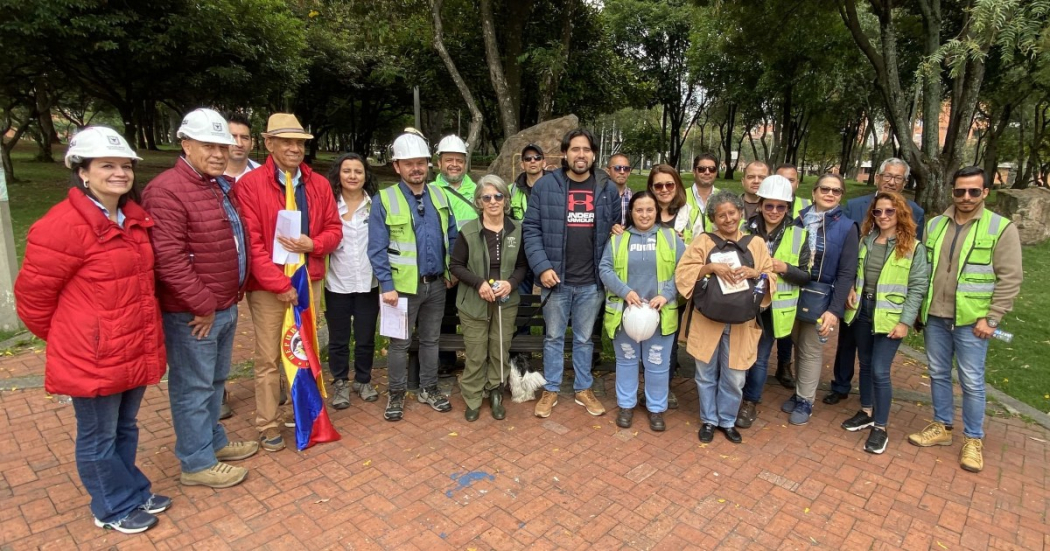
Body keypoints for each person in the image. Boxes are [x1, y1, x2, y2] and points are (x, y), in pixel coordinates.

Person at [15, 127, 168, 533]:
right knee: (98, 436)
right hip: (94, 353)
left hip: (131, 344)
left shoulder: (132, 218)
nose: (119, 173)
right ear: (82, 171)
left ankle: (132, 490)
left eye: (124, 166)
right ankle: (112, 505)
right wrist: (74, 337)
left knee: (125, 426)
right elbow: (32, 300)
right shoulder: (62, 225)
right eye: (107, 165)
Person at [141, 108, 258, 489]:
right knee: (193, 387)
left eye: (223, 146)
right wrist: (202, 304)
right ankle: (195, 462)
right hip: (195, 313)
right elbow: (168, 258)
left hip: (222, 304)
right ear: (186, 144)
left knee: (214, 380)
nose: (220, 153)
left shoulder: (214, 184)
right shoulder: (166, 190)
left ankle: (213, 443)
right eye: (209, 145)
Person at [232, 113, 343, 452]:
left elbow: (334, 229)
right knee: (267, 357)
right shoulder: (250, 186)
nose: (295, 149)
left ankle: (304, 411)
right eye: (287, 142)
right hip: (269, 285)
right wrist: (279, 284)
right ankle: (267, 423)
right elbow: (251, 243)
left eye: (300, 143)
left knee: (304, 349)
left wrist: (315, 244)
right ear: (269, 144)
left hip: (308, 279)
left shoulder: (318, 184)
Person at [908, 166, 1022, 473]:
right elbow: (924, 271)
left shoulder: (1000, 228)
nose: (966, 197)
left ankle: (973, 439)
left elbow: (1011, 278)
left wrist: (993, 318)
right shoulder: (934, 225)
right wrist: (919, 310)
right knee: (938, 373)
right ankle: (943, 427)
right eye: (960, 191)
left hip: (974, 322)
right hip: (936, 316)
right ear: (952, 192)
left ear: (985, 192)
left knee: (972, 381)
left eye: (974, 191)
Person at [523, 128, 620, 418]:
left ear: (593, 154)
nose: (581, 155)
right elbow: (531, 229)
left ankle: (583, 388)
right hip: (556, 280)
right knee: (552, 337)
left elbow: (615, 229)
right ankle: (551, 389)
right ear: (565, 153)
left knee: (584, 339)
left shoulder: (606, 188)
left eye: (586, 150)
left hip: (591, 281)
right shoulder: (546, 186)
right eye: (575, 149)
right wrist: (542, 268)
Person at [368, 131, 459, 421]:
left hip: (435, 286)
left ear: (428, 165)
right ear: (397, 167)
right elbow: (377, 248)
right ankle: (396, 393)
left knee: (432, 340)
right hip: (400, 289)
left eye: (420, 162)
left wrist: (449, 270)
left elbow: (452, 236)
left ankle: (429, 388)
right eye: (408, 163)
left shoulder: (439, 194)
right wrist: (387, 285)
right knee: (400, 344)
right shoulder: (385, 199)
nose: (416, 168)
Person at [675, 191, 776, 444]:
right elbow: (683, 274)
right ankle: (709, 420)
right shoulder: (703, 242)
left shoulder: (756, 244)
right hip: (707, 318)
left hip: (741, 322)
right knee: (706, 374)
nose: (728, 219)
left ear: (741, 213)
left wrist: (755, 272)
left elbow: (770, 277)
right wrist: (710, 268)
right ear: (713, 218)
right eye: (721, 215)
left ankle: (727, 420)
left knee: (735, 376)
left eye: (732, 213)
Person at [826, 157, 926, 406]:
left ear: (904, 182)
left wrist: (908, 313)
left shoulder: (917, 212)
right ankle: (841, 385)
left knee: (873, 357)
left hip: (887, 298)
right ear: (878, 178)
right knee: (847, 340)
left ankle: (869, 403)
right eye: (888, 176)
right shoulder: (856, 205)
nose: (892, 181)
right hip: (856, 289)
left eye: (898, 177)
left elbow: (914, 257)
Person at [840, 192, 929, 454]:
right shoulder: (866, 241)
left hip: (890, 317)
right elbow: (856, 273)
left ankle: (881, 427)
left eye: (889, 211)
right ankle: (866, 411)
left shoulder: (913, 247)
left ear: (900, 213)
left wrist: (905, 321)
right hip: (863, 311)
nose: (883, 217)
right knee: (865, 364)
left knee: (880, 370)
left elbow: (917, 287)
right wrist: (850, 290)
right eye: (878, 212)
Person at [599, 191, 684, 431]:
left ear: (657, 211)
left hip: (661, 315)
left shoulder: (670, 237)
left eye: (649, 209)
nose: (644, 215)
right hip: (626, 315)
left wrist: (666, 294)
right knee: (626, 361)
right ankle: (626, 405)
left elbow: (684, 269)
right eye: (639, 210)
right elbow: (605, 269)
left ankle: (656, 408)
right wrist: (625, 292)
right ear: (631, 212)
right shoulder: (618, 239)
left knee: (657, 363)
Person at [449, 175, 528, 421]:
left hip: (505, 302)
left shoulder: (517, 229)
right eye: (487, 197)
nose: (493, 201)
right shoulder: (468, 230)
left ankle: (495, 392)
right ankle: (473, 396)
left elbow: (523, 266)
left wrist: (511, 283)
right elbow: (456, 265)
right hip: (474, 302)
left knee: (499, 349)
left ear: (505, 200)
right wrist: (478, 283)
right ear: (479, 201)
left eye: (498, 196)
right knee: (475, 352)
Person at [782, 174, 859, 425]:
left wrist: (834, 310)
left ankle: (806, 400)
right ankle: (798, 391)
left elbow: (847, 272)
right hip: (792, 290)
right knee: (796, 341)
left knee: (811, 348)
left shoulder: (847, 227)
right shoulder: (798, 219)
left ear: (841, 196)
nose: (830, 194)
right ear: (814, 192)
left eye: (836, 191)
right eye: (825, 189)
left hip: (822, 295)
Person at [736, 175, 811, 429]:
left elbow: (805, 276)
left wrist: (785, 268)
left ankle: (750, 401)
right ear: (760, 205)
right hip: (744, 302)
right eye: (769, 205)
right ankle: (733, 395)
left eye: (781, 206)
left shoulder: (800, 235)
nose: (775, 211)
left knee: (759, 357)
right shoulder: (744, 229)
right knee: (737, 352)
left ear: (788, 208)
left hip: (774, 307)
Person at [324, 153, 381, 409]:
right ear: (339, 174)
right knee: (338, 339)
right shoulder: (328, 205)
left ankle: (363, 379)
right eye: (347, 171)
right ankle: (339, 382)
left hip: (368, 283)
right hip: (337, 283)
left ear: (366, 176)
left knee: (365, 336)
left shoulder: (375, 205)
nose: (353, 176)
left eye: (358, 171)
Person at [218, 111, 262, 421]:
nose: (238, 142)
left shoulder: (262, 175)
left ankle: (276, 380)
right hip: (222, 268)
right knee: (219, 335)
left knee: (269, 330)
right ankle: (216, 392)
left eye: (244, 137)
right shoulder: (208, 176)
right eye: (231, 136)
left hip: (260, 266)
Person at [431, 135, 477, 376]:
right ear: (439, 163)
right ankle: (445, 360)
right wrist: (449, 269)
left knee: (473, 317)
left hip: (472, 270)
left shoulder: (479, 191)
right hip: (441, 269)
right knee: (443, 315)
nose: (454, 165)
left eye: (459, 160)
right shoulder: (429, 191)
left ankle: (475, 360)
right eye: (449, 160)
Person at [771, 163, 809, 388]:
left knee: (788, 328)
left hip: (793, 277)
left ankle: (785, 364)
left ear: (798, 182)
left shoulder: (805, 207)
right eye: (781, 179)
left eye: (791, 180)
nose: (786, 184)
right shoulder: (765, 204)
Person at [511, 143, 549, 295]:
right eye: (528, 159)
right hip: (521, 254)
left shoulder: (556, 188)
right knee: (521, 300)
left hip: (547, 252)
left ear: (544, 162)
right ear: (522, 164)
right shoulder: (511, 190)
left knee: (552, 299)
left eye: (537, 158)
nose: (532, 161)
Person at [648, 164, 692, 238]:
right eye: (658, 186)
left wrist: (681, 244)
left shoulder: (691, 214)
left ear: (677, 185)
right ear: (651, 188)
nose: (664, 190)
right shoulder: (642, 213)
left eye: (669, 185)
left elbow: (701, 246)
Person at [684, 153, 720, 240]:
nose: (707, 172)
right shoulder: (681, 197)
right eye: (701, 169)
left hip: (717, 251)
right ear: (694, 172)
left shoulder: (724, 198)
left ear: (716, 172)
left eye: (712, 169)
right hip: (688, 251)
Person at [223, 112, 262, 182]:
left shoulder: (263, 175)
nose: (239, 144)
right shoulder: (209, 173)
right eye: (233, 137)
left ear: (252, 143)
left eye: (244, 138)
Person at [606, 153, 633, 225]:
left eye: (626, 168)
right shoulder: (600, 196)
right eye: (617, 168)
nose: (622, 172)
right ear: (608, 171)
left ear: (629, 172)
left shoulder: (634, 197)